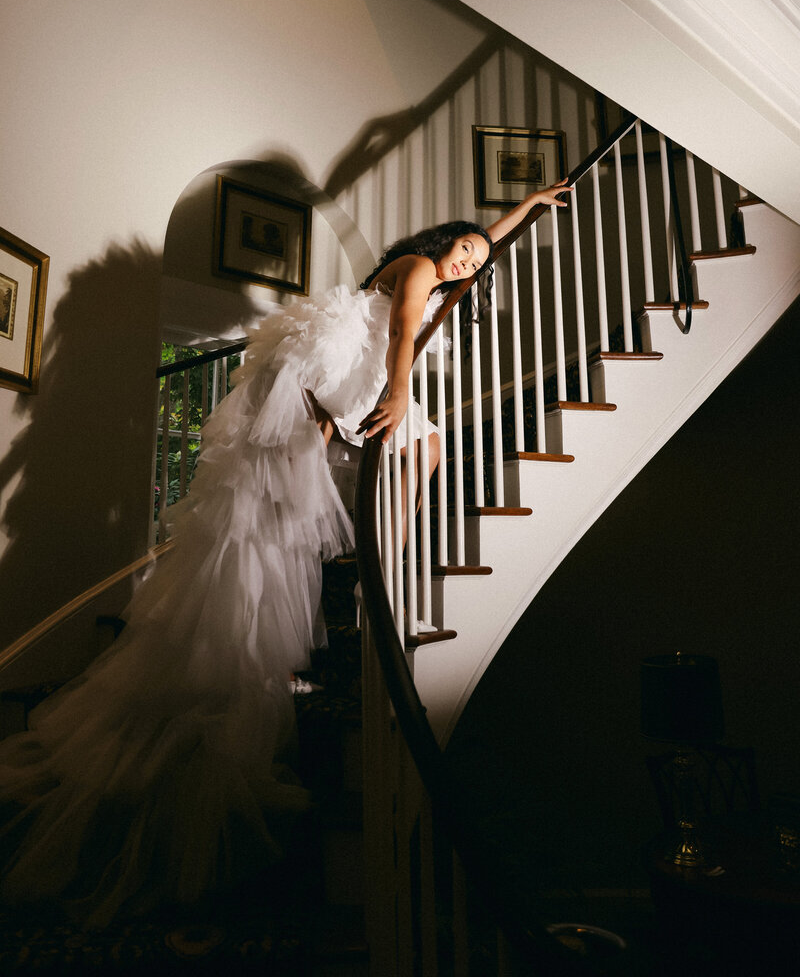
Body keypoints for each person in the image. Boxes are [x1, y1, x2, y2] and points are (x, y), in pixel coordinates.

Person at [0, 184, 570, 926]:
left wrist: (527, 206)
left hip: (350, 374)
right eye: (463, 248)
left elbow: (485, 240)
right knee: (406, 443)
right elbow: (402, 327)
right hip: (355, 363)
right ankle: (375, 567)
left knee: (424, 449)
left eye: (477, 261)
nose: (467, 263)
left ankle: (376, 560)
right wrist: (398, 389)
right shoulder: (421, 271)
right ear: (442, 242)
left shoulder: (457, 266)